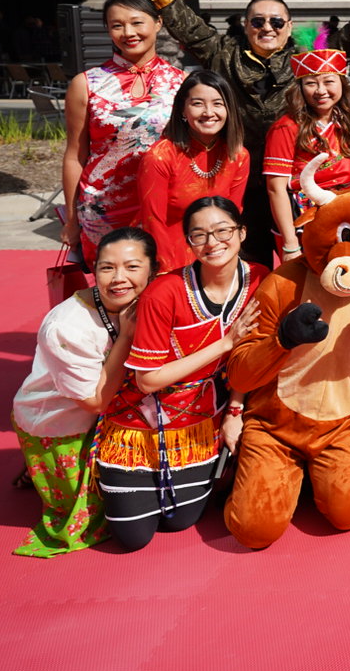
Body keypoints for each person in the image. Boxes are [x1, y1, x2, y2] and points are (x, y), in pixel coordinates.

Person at [117, 0, 350, 263]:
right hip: (238, 181)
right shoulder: (220, 52)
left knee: (309, 267)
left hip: (298, 189)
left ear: (289, 26)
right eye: (257, 21)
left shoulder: (307, 58)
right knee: (246, 265)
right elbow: (175, 10)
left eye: (275, 22)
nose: (266, 27)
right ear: (245, 25)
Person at [94, 197, 265, 551]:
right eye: (199, 235)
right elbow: (146, 380)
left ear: (242, 233)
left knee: (178, 523)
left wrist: (235, 410)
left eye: (222, 231)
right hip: (138, 429)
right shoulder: (164, 292)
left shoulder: (262, 279)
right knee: (133, 538)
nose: (212, 243)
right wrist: (224, 343)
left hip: (202, 425)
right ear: (188, 242)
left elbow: (256, 357)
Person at [10, 227, 155, 556]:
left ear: (153, 269)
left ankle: (41, 470)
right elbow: (93, 401)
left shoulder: (152, 299)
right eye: (107, 268)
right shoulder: (67, 326)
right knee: (95, 517)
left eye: (132, 267)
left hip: (115, 412)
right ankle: (42, 463)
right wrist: (127, 338)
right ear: (94, 268)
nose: (119, 278)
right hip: (62, 422)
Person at [61, 0, 187, 265]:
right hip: (103, 208)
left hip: (166, 205)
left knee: (167, 285)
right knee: (116, 290)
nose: (128, 32)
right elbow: (74, 155)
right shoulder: (86, 84)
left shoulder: (182, 83)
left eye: (136, 22)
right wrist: (71, 220)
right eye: (117, 25)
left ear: (158, 23)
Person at [137, 69, 251, 272]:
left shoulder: (238, 155)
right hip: (170, 258)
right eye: (198, 104)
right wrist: (168, 273)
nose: (209, 112)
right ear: (183, 110)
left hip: (219, 253)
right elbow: (153, 222)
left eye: (218, 104)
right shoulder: (160, 156)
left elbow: (233, 216)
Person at [264, 42, 350, 263]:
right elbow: (275, 188)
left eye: (329, 81)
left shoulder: (349, 122)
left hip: (348, 215)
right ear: (299, 87)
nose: (321, 91)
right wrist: (290, 243)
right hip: (305, 221)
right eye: (311, 83)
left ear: (342, 84)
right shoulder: (286, 127)